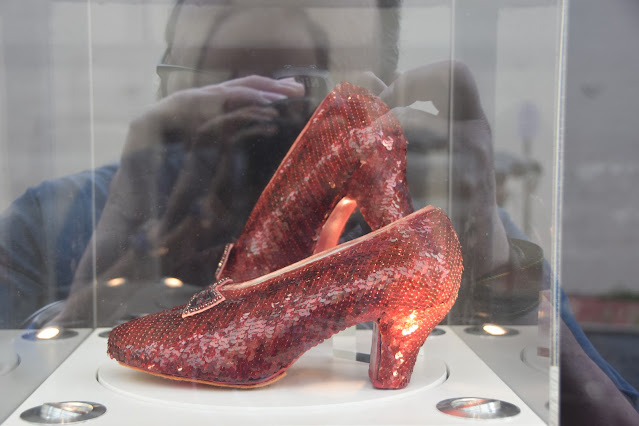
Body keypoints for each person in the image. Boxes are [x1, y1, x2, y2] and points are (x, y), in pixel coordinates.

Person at [0, 0, 636, 422]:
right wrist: (117, 245)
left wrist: (492, 258)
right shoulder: (52, 220)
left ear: (386, 97)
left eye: (309, 90)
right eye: (221, 84)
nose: (271, 121)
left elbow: (610, 416)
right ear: (166, 87)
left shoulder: (442, 233)